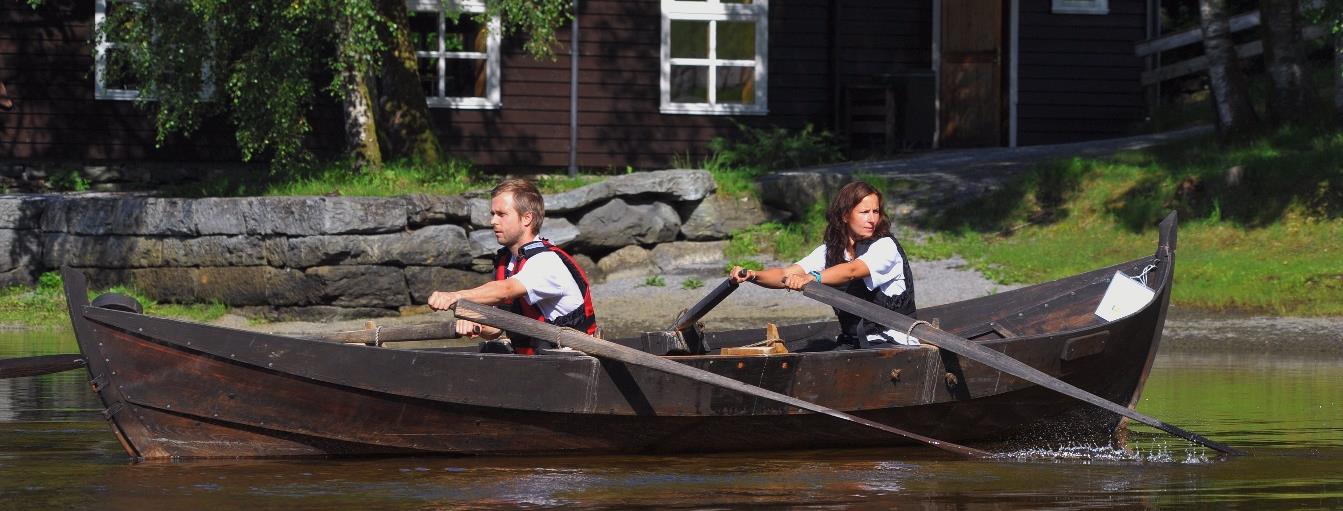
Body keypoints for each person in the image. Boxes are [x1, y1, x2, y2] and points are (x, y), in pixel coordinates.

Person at [729, 181, 917, 349]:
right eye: (864, 212)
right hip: (856, 343)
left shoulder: (885, 246)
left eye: (875, 212)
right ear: (845, 216)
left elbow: (852, 270)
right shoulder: (830, 251)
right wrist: (753, 275)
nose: (872, 219)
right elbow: (785, 274)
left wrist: (814, 277)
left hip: (895, 341)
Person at [427, 179, 597, 355]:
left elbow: (505, 290)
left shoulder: (546, 262)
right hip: (537, 365)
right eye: (492, 213)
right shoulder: (508, 263)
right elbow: (495, 329)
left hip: (571, 366)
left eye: (501, 214)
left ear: (527, 218)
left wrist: (455, 297)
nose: (493, 221)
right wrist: (477, 325)